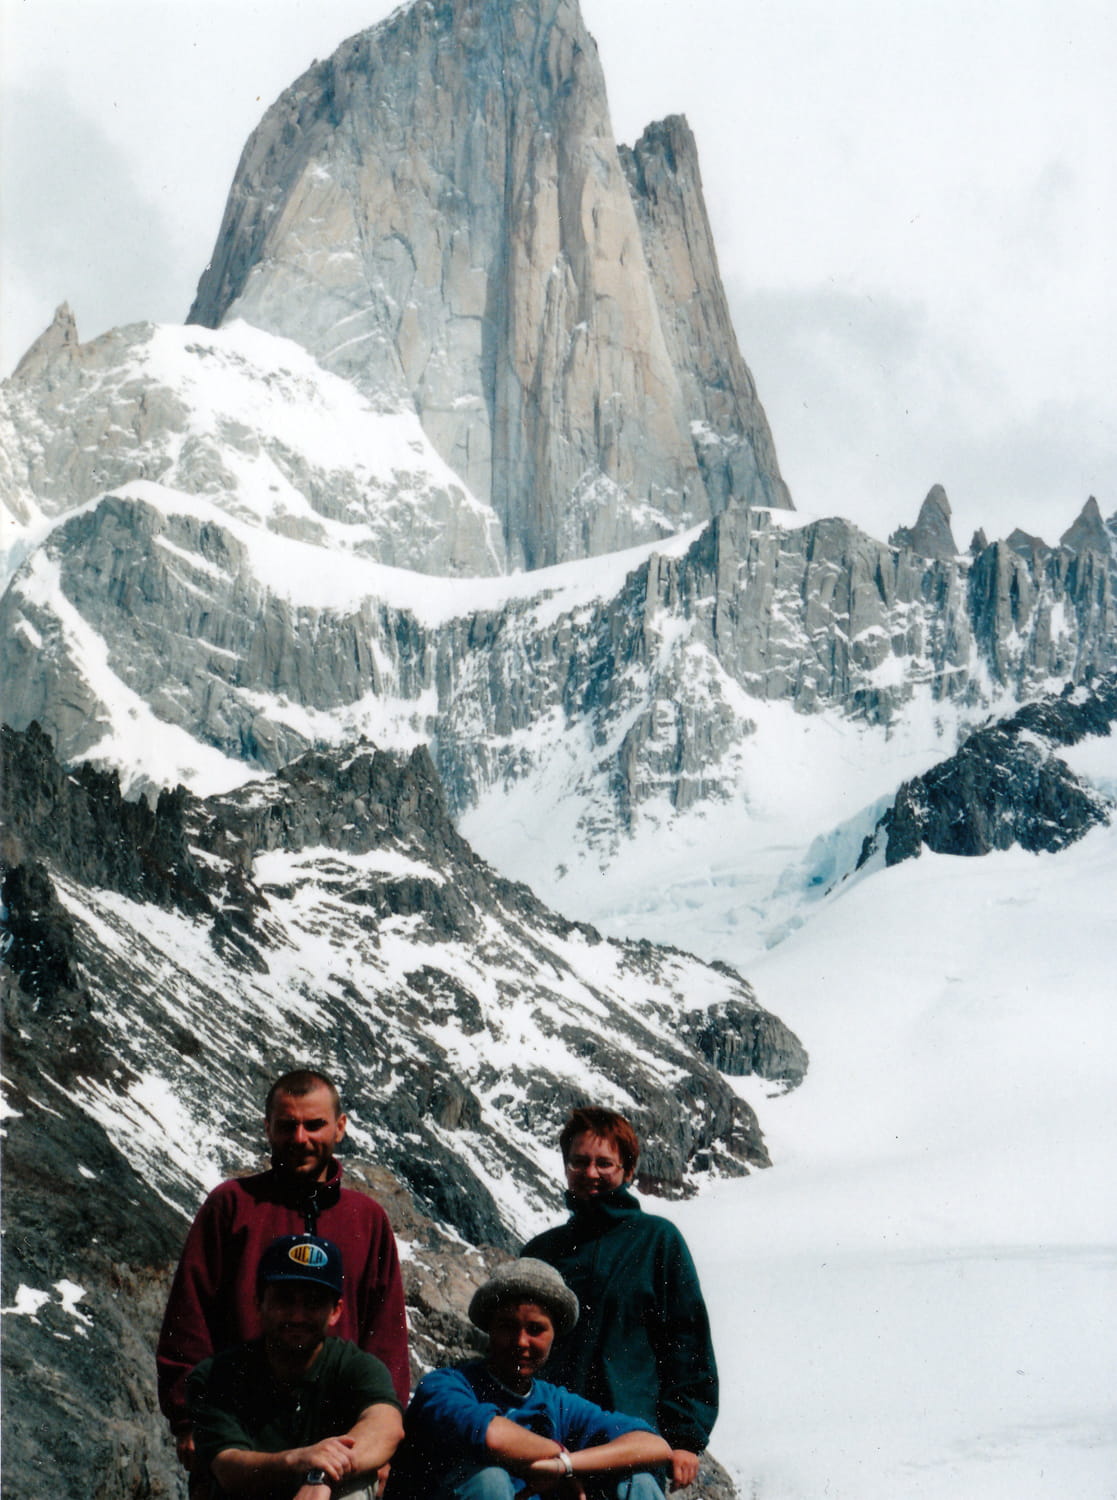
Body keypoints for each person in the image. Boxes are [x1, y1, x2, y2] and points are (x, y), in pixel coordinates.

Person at [158, 1068, 409, 1475]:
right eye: (287, 1126)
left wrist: (384, 1430)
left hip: (341, 1437)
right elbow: (190, 1315)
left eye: (314, 1125)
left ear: (340, 1127)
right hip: (241, 1431)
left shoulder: (367, 1219)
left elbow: (386, 1337)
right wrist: (188, 1420)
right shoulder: (232, 1206)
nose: (300, 1139)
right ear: (268, 1128)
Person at [521, 1108, 717, 1491]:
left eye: (604, 1163)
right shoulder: (542, 1252)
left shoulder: (658, 1241)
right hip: (548, 1435)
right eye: (579, 1161)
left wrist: (685, 1441)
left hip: (631, 1439)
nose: (590, 1172)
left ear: (628, 1171)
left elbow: (688, 1344)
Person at [386, 1259, 670, 1500]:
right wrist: (558, 1455)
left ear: (554, 1336)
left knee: (638, 1481)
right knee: (490, 1480)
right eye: (507, 1326)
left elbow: (654, 1446)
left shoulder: (557, 1402)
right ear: (490, 1329)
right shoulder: (446, 1385)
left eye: (536, 1329)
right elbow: (493, 1436)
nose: (521, 1341)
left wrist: (566, 1466)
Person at [187, 1233, 404, 1498]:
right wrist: (300, 1461)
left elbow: (385, 1426)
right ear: (259, 1302)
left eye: (313, 1303)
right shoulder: (216, 1375)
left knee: (356, 1488)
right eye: (284, 1299)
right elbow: (229, 1467)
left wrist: (320, 1475)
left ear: (336, 1311)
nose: (297, 1315)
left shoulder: (356, 1367)